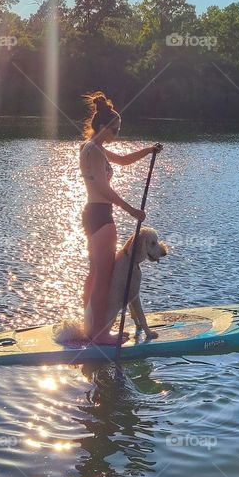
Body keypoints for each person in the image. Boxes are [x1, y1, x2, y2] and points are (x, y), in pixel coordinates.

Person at [78, 91, 161, 344]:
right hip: (101, 216)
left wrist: (149, 150)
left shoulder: (90, 148)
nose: (117, 134)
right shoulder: (95, 151)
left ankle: (89, 328)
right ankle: (100, 334)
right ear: (103, 127)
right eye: (115, 130)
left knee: (94, 274)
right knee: (102, 277)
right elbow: (103, 188)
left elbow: (124, 161)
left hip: (91, 214)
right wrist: (131, 210)